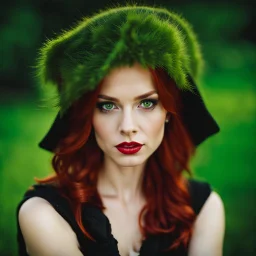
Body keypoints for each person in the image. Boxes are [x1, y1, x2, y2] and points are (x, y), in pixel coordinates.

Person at [17, 5, 225, 256]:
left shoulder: (202, 208)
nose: (128, 127)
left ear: (169, 111)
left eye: (147, 103)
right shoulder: (42, 214)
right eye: (107, 106)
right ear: (86, 116)